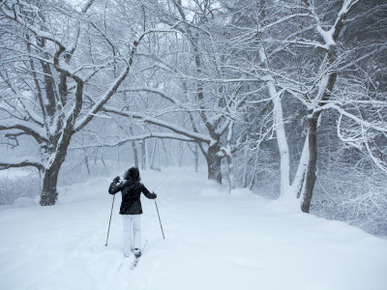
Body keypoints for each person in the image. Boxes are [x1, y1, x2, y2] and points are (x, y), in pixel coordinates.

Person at [108, 167, 157, 258]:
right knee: (137, 230)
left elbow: (111, 191)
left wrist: (114, 182)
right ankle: (136, 248)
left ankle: (126, 251)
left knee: (127, 231)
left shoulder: (123, 184)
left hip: (125, 211)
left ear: (128, 174)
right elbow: (148, 195)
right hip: (136, 211)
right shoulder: (139, 185)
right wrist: (154, 195)